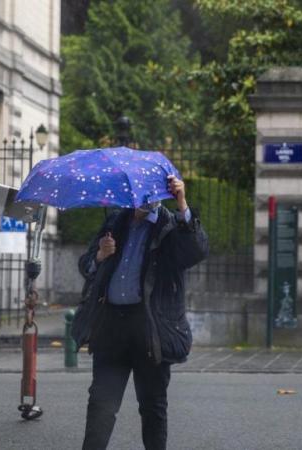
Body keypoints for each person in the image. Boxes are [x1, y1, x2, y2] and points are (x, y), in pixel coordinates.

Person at [76, 174, 208, 450]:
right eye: (140, 189)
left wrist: (183, 204)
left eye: (153, 190)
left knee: (152, 406)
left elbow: (195, 251)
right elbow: (86, 266)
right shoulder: (115, 222)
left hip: (150, 329)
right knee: (101, 403)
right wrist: (100, 255)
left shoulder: (170, 226)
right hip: (111, 328)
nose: (147, 195)